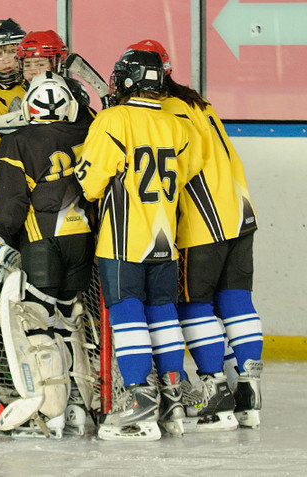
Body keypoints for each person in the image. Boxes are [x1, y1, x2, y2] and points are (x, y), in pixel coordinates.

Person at [75, 49, 205, 441]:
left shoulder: (113, 119)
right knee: (162, 312)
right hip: (165, 235)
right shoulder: (175, 123)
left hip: (123, 238)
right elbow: (190, 168)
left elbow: (91, 182)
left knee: (128, 313)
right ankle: (172, 394)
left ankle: (138, 400)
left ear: (127, 81)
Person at [133, 39, 262, 430]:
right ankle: (249, 394)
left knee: (193, 305)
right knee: (236, 300)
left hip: (202, 223)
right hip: (239, 216)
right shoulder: (199, 104)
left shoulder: (165, 110)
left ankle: (215, 395)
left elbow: (172, 169)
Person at [0, 71, 95, 436]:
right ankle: (80, 405)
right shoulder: (86, 132)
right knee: (69, 320)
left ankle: (53, 413)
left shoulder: (19, 141)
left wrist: (5, 243)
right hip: (84, 240)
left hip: (42, 242)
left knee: (38, 324)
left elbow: (6, 211)